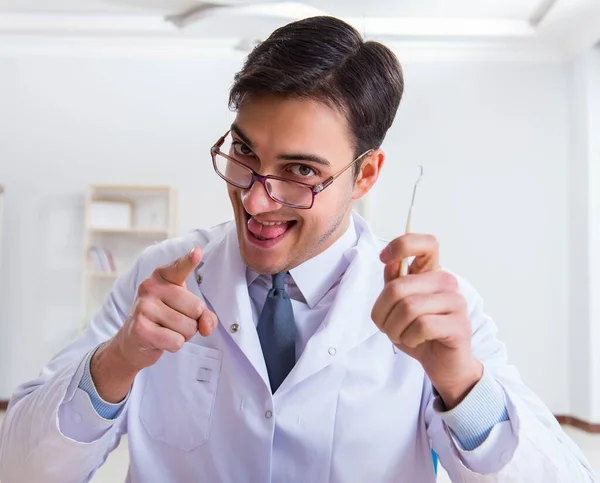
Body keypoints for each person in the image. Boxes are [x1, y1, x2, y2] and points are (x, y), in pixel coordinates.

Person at [0, 16, 595, 483]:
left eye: (301, 172)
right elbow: (18, 469)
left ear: (365, 176)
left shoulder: (439, 310)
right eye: (245, 155)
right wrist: (117, 363)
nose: (257, 202)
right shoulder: (159, 278)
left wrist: (460, 381)